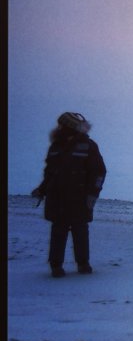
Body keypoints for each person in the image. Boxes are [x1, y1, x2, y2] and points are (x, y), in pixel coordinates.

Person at [31, 112, 107, 278]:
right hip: (57, 198)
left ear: (68, 127)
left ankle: (83, 264)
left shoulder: (88, 146)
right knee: (58, 231)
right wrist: (42, 189)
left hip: (80, 198)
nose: (59, 128)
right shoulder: (55, 147)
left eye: (62, 125)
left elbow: (99, 172)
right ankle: (56, 266)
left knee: (80, 231)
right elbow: (49, 173)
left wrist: (92, 194)